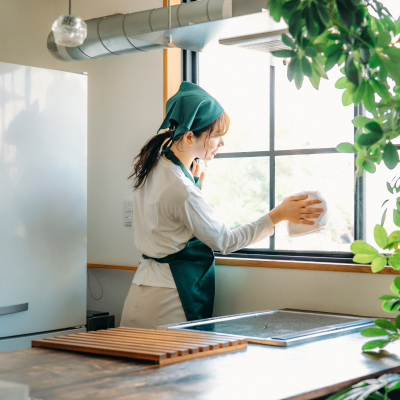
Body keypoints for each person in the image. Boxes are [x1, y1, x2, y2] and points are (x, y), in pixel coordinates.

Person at [120, 81, 323, 329]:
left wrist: (194, 183)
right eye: (216, 137)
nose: (222, 144)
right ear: (189, 136)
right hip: (169, 300)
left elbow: (167, 222)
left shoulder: (152, 166)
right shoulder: (182, 190)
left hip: (141, 290)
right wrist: (277, 215)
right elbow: (225, 241)